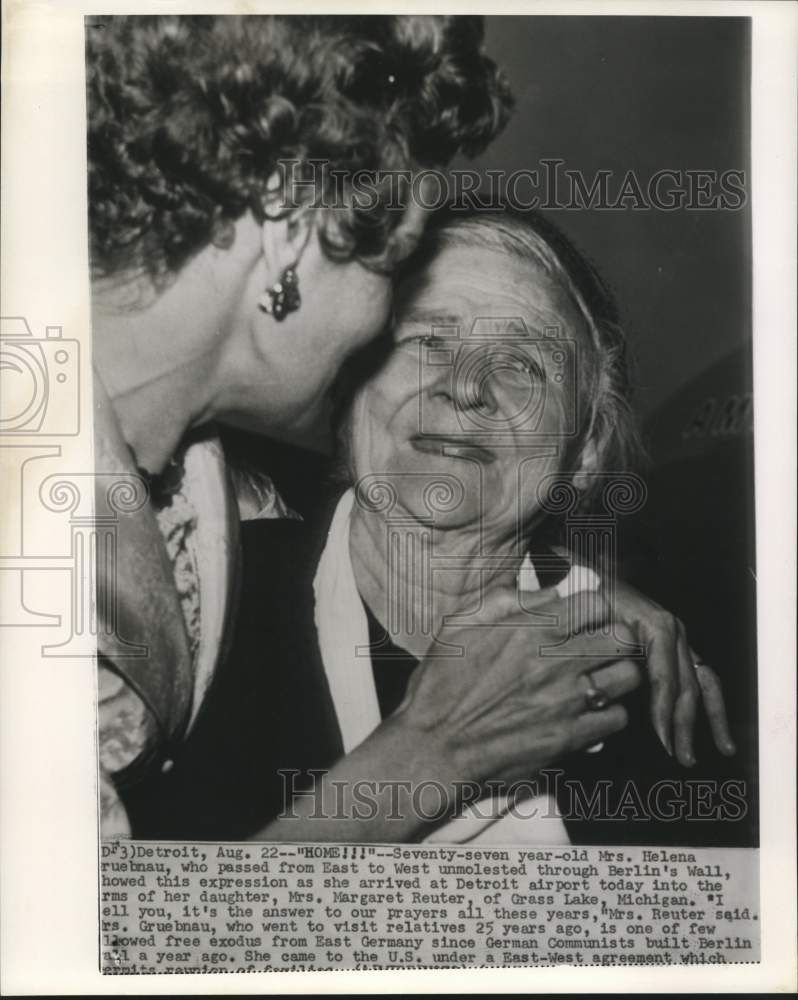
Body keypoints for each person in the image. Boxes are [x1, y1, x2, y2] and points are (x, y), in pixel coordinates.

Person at [119, 209, 736, 844]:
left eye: (521, 362)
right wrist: (431, 755)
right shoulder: (182, 631)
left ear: (583, 453)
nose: (465, 388)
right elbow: (149, 936)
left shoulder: (658, 693)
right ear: (346, 397)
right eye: (426, 342)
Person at [88, 13, 515, 835]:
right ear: (290, 230)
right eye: (397, 264)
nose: (385, 323)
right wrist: (434, 751)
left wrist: (582, 593)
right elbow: (105, 949)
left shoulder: (184, 465)